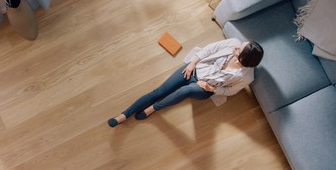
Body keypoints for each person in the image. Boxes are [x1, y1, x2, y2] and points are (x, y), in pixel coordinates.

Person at [107, 38, 264, 127]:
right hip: (194, 69)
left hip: (205, 88)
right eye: (240, 45)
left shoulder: (246, 76)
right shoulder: (232, 43)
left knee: (184, 91)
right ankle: (123, 115)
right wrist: (192, 63)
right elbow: (208, 49)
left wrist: (212, 89)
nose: (236, 46)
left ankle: (153, 108)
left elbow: (230, 91)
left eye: (239, 49)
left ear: (242, 59)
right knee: (159, 91)